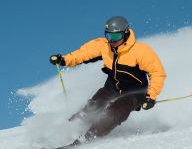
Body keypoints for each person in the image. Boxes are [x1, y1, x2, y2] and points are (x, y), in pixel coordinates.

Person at [50, 16, 166, 148]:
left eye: (116, 37)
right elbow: (83, 53)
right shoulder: (104, 46)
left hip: (134, 93)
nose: (112, 41)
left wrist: (151, 97)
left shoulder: (141, 51)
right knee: (91, 108)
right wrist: (64, 60)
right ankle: (64, 132)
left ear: (126, 33)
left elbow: (157, 73)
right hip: (112, 88)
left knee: (112, 113)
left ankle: (86, 139)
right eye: (109, 36)